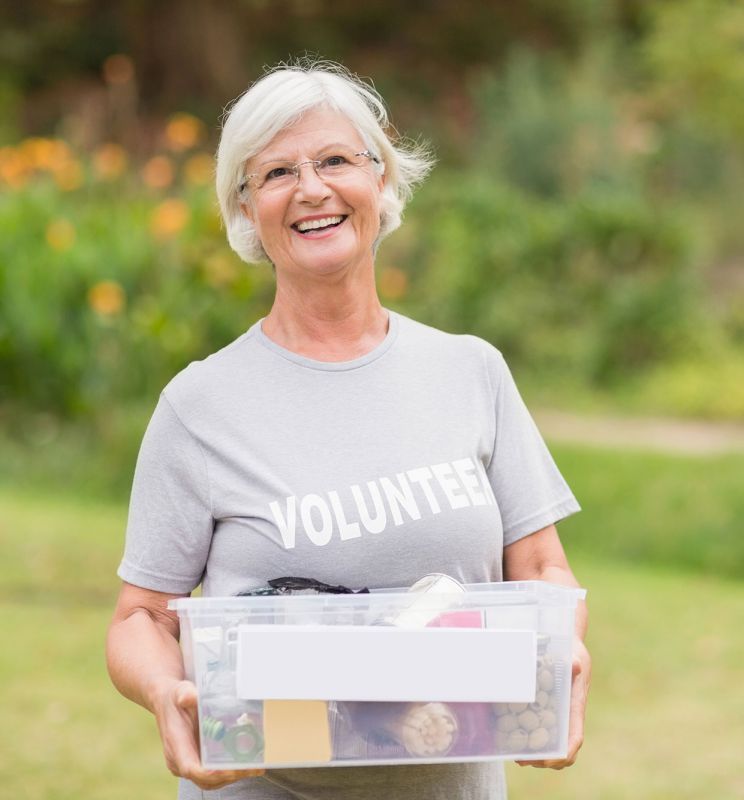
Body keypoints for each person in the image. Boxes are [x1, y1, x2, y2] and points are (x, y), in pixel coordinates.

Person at [106, 59, 590, 800]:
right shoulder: (199, 405)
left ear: (382, 181)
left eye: (336, 160)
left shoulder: (470, 372)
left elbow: (543, 572)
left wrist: (566, 652)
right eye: (275, 173)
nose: (312, 189)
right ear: (246, 210)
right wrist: (169, 692)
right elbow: (139, 618)